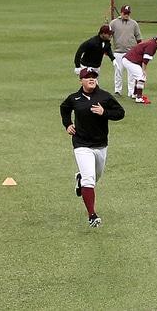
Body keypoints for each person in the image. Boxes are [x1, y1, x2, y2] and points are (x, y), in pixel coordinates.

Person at [61, 68, 125, 228]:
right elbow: (64, 108)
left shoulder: (104, 96)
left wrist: (104, 112)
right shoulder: (74, 98)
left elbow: (120, 113)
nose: (91, 79)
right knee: (89, 180)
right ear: (81, 80)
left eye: (94, 77)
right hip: (81, 144)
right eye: (87, 77)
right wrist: (68, 124)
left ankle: (80, 179)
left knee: (95, 178)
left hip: (101, 145)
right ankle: (92, 215)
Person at [121, 32, 157, 104]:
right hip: (130, 60)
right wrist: (144, 70)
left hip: (129, 59)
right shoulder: (152, 45)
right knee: (141, 76)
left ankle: (135, 94)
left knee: (139, 76)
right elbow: (145, 59)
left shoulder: (152, 42)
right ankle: (139, 98)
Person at [108, 5, 142, 98]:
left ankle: (131, 92)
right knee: (118, 71)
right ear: (121, 13)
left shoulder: (134, 23)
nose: (126, 15)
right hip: (118, 51)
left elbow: (138, 37)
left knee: (131, 73)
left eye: (128, 13)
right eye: (125, 13)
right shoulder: (114, 23)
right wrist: (106, 49)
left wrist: (139, 51)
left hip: (131, 52)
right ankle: (117, 90)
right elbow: (108, 36)